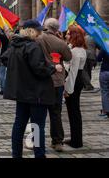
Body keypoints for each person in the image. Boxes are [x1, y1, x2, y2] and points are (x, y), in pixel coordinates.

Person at [2, 19, 63, 159]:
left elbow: (4, 59)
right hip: (36, 94)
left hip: (21, 93)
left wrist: (20, 69)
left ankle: (16, 154)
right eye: (38, 31)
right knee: (37, 127)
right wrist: (54, 68)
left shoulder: (15, 45)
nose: (40, 33)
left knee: (19, 124)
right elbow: (39, 69)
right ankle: (39, 155)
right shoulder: (32, 47)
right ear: (32, 31)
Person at [36, 18, 73, 152]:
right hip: (56, 81)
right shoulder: (60, 43)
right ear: (57, 29)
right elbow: (69, 57)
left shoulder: (37, 39)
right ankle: (57, 142)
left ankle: (35, 140)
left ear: (45, 26)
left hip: (40, 79)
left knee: (37, 113)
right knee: (56, 112)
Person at [63, 26, 87, 149]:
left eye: (68, 34)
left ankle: (76, 141)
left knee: (74, 111)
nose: (66, 35)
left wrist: (68, 89)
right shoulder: (79, 49)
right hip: (77, 80)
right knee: (74, 111)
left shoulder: (76, 51)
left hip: (75, 81)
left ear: (74, 36)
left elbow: (73, 73)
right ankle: (75, 138)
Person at [98, 50, 109, 119]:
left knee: (105, 92)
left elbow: (98, 59)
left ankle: (106, 111)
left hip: (105, 71)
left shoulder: (104, 48)